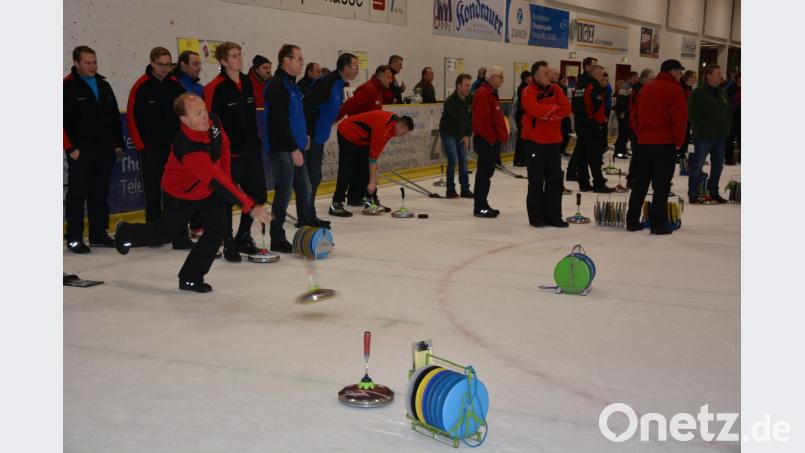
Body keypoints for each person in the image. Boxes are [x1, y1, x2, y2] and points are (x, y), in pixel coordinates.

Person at [114, 94, 272, 292]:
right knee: (167, 233)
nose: (205, 116)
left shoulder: (213, 122)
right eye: (198, 113)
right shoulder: (188, 148)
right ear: (184, 120)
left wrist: (228, 177)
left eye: (204, 110)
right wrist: (250, 207)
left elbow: (224, 148)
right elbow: (216, 179)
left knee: (218, 229)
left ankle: (191, 276)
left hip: (207, 191)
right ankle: (126, 233)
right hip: (181, 194)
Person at [205, 42, 266, 262]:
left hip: (251, 151)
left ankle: (243, 236)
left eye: (240, 54)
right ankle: (228, 241)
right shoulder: (215, 87)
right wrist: (215, 152)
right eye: (233, 56)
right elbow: (209, 123)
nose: (239, 59)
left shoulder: (249, 83)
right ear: (223, 61)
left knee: (258, 195)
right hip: (228, 155)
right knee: (226, 200)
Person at [63, 45, 125, 253]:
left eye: (94, 62)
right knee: (77, 195)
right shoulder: (67, 86)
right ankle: (74, 237)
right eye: (87, 63)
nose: (92, 66)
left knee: (99, 193)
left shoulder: (103, 85)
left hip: (104, 151)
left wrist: (118, 144)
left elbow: (114, 117)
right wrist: (71, 148)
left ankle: (98, 234)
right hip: (81, 151)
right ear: (76, 63)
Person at [126, 47, 190, 250]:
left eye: (168, 64)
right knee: (153, 193)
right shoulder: (141, 87)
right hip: (151, 150)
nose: (164, 69)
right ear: (152, 63)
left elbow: (186, 116)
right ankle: (154, 235)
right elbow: (131, 118)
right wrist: (142, 146)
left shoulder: (176, 86)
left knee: (178, 194)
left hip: (175, 150)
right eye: (161, 64)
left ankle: (180, 235)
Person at [265, 44, 320, 253]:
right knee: (284, 194)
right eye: (298, 58)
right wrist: (292, 148)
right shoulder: (277, 85)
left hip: (296, 147)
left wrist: (304, 135)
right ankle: (277, 238)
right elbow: (278, 121)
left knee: (305, 189)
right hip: (283, 149)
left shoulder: (292, 85)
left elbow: (295, 116)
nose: (301, 62)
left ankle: (307, 232)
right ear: (286, 61)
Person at [626, 59, 688, 234]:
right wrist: (679, 141)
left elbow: (634, 115)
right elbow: (680, 119)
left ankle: (631, 221)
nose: (681, 75)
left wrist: (640, 134)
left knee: (640, 184)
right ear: (672, 72)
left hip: (644, 143)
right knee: (661, 186)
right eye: (679, 72)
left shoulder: (646, 88)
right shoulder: (675, 89)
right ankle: (658, 224)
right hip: (664, 143)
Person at [303, 53, 359, 222]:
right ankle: (307, 215)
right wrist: (307, 134)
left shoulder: (339, 84)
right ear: (346, 68)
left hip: (319, 136)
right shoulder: (326, 83)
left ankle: (307, 214)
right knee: (313, 177)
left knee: (313, 177)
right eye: (355, 67)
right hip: (312, 138)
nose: (357, 70)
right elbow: (306, 105)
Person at [330, 110, 414, 215]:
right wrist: (373, 181)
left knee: (364, 167)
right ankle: (336, 204)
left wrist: (373, 178)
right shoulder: (384, 127)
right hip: (347, 132)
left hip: (362, 138)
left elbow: (374, 154)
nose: (403, 135)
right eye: (404, 132)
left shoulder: (392, 126)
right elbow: (373, 157)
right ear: (401, 125)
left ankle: (357, 198)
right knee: (346, 168)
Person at [521, 61, 572, 228]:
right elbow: (534, 110)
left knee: (555, 181)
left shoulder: (556, 89)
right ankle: (536, 216)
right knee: (536, 181)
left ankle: (554, 216)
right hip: (535, 142)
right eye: (545, 73)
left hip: (554, 142)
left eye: (549, 72)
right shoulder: (528, 91)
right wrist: (553, 109)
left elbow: (566, 108)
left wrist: (548, 114)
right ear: (535, 75)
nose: (549, 76)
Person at [334, 65, 393, 208]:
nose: (391, 80)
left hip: (365, 137)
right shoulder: (369, 89)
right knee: (352, 168)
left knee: (362, 167)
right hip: (353, 134)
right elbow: (349, 105)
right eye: (388, 77)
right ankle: (342, 200)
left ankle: (356, 197)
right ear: (379, 75)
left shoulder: (379, 90)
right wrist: (334, 119)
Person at [687, 65, 732, 204]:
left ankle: (713, 192)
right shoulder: (698, 93)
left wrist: (726, 128)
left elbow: (729, 112)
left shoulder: (723, 92)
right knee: (698, 166)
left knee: (718, 165)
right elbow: (692, 113)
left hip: (720, 137)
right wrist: (702, 127)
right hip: (703, 137)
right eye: (718, 73)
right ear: (709, 76)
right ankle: (693, 193)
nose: (721, 76)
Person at [471, 65, 508, 218]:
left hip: (491, 140)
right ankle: (480, 206)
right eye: (500, 77)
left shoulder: (491, 93)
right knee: (484, 174)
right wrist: (492, 139)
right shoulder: (483, 93)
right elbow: (482, 120)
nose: (502, 80)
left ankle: (483, 203)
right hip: (486, 140)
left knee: (487, 173)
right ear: (492, 77)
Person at [575, 65, 614, 193]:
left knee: (581, 155)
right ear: (596, 74)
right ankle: (598, 183)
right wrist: (601, 124)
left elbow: (574, 106)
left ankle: (583, 182)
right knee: (595, 156)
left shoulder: (580, 84)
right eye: (602, 74)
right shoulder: (594, 86)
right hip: (592, 125)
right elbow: (597, 107)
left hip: (580, 124)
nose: (603, 77)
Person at [438, 73, 474, 199]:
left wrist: (467, 135)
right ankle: (450, 189)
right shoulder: (451, 102)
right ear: (458, 86)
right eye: (466, 85)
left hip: (461, 133)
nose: (468, 88)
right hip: (449, 133)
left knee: (464, 160)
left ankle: (465, 189)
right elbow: (464, 119)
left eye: (469, 85)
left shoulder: (470, 99)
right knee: (453, 160)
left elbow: (471, 118)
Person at [567, 57, 597, 183]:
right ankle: (576, 173)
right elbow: (582, 103)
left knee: (580, 148)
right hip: (585, 120)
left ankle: (573, 172)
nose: (595, 68)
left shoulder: (582, 81)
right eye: (593, 66)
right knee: (582, 149)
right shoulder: (586, 82)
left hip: (581, 119)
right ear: (586, 67)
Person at [626, 68, 655, 188]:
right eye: (651, 79)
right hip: (638, 129)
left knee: (640, 156)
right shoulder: (640, 91)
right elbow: (635, 112)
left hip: (641, 129)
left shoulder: (644, 89)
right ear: (644, 79)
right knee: (637, 156)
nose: (654, 82)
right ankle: (632, 179)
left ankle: (636, 179)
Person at [614, 71, 638, 159]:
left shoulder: (631, 87)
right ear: (632, 77)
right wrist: (622, 112)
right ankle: (619, 152)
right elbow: (621, 100)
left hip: (628, 113)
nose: (638, 78)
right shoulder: (625, 87)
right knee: (623, 133)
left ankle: (622, 150)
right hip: (623, 113)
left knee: (626, 133)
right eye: (636, 77)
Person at [513, 70, 532, 167]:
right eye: (530, 76)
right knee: (521, 138)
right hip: (521, 115)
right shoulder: (523, 88)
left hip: (523, 114)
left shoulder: (525, 87)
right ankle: (519, 159)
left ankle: (522, 158)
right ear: (526, 78)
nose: (531, 78)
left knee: (523, 138)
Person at [677, 70, 697, 162]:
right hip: (682, 117)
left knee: (686, 136)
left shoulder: (689, 88)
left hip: (688, 117)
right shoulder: (682, 88)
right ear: (689, 78)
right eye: (694, 77)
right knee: (682, 135)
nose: (696, 79)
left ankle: (682, 154)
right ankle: (678, 154)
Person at [724, 72, 741, 165]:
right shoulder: (731, 87)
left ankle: (739, 157)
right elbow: (729, 102)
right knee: (730, 137)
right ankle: (729, 158)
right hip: (731, 116)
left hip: (739, 115)